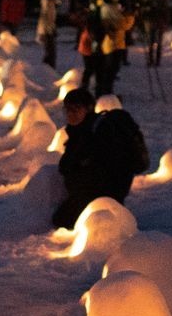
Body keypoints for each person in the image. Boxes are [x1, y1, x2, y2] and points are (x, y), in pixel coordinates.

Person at [52, 87, 148, 230]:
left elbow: (104, 168)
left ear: (88, 109)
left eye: (76, 109)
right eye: (67, 109)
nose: (71, 114)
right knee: (61, 219)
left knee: (64, 221)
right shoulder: (80, 131)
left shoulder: (98, 132)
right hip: (92, 191)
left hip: (101, 194)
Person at [36, 0, 60, 68]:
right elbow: (47, 20)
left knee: (50, 51)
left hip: (48, 31)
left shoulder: (49, 5)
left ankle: (47, 68)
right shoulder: (48, 6)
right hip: (47, 32)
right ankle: (47, 69)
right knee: (50, 51)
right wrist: (48, 30)